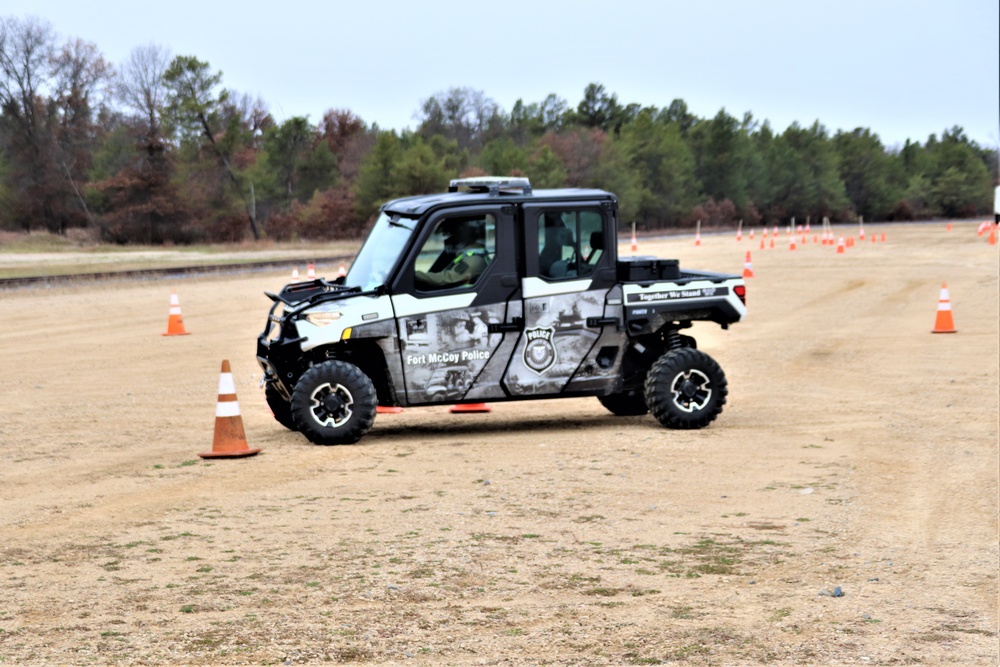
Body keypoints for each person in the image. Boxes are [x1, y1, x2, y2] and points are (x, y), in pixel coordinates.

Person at [415, 218, 489, 289]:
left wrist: (415, 275)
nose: (448, 239)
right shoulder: (466, 254)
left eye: (452, 234)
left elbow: (447, 278)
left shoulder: (473, 259)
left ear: (463, 236)